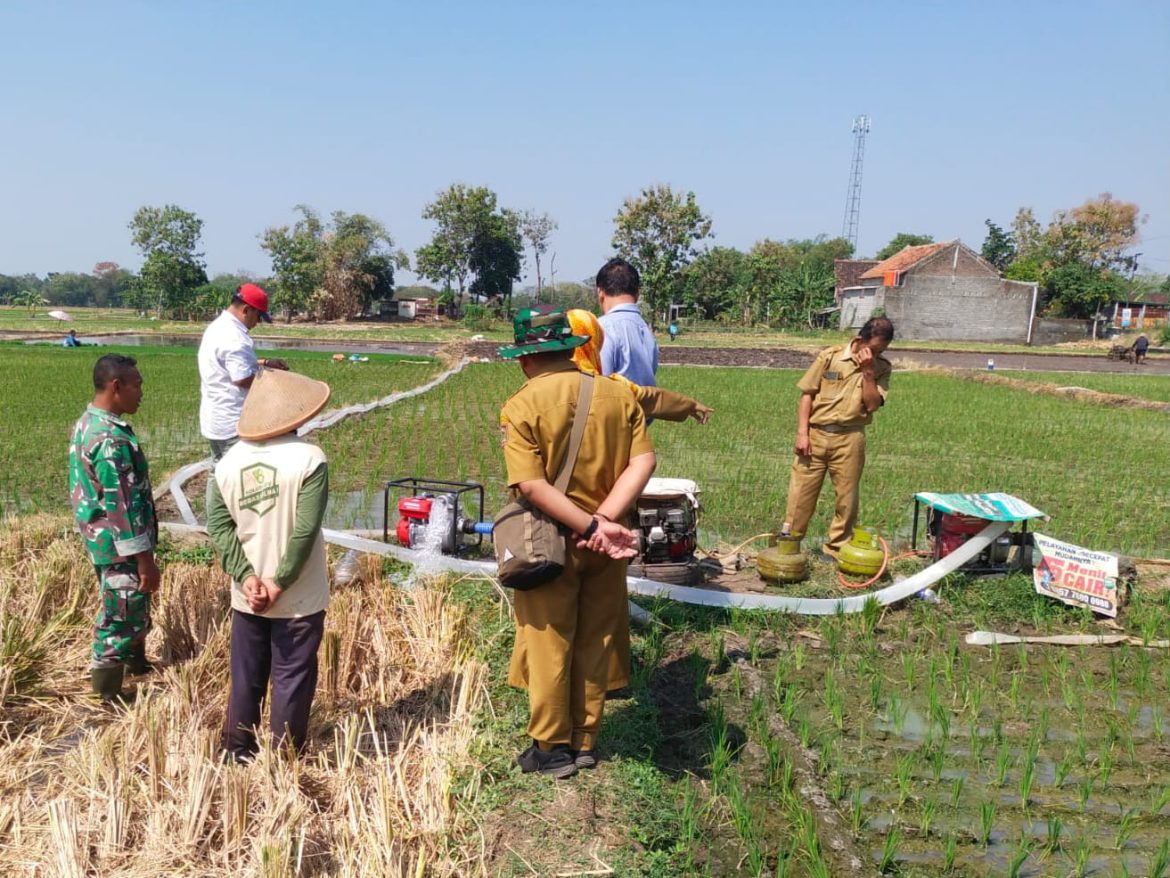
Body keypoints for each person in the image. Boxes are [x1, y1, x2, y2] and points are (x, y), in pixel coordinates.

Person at [498, 307, 656, 778]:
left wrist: (585, 527)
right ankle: (586, 741)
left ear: (527, 358)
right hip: (610, 543)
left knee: (549, 640)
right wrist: (605, 521)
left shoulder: (522, 405)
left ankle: (551, 748)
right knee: (597, 634)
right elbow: (643, 462)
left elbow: (531, 487)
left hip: (551, 542)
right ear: (572, 348)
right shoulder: (618, 395)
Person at [207, 368, 332, 763]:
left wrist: (247, 578)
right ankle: (284, 758)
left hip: (248, 596)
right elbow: (305, 529)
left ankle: (237, 749)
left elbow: (219, 527)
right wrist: (280, 582)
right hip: (297, 594)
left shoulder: (226, 464)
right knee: (291, 676)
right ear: (295, 413)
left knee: (246, 676)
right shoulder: (309, 459)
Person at [68, 354, 160, 702]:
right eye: (137, 385)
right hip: (121, 545)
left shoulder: (87, 422)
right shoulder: (111, 439)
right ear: (116, 386)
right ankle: (106, 697)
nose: (141, 392)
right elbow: (123, 506)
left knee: (127, 606)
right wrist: (144, 559)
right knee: (121, 618)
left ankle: (136, 669)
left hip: (100, 541)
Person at [781, 316, 895, 559]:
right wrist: (802, 433)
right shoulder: (830, 357)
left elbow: (873, 405)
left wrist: (867, 372)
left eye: (881, 350)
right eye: (874, 349)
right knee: (800, 493)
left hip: (850, 438)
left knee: (847, 496)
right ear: (860, 339)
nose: (876, 354)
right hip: (816, 434)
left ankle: (835, 548)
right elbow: (807, 395)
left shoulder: (881, 368)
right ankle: (789, 542)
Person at [565, 309, 712, 424]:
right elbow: (653, 399)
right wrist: (688, 405)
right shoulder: (611, 387)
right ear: (596, 340)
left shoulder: (543, 385)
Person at [198, 283, 289, 463]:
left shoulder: (218, 327)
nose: (258, 323)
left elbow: (228, 364)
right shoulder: (235, 337)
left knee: (217, 471)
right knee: (239, 476)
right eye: (258, 316)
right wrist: (273, 381)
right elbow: (241, 378)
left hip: (214, 418)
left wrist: (264, 363)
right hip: (233, 422)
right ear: (247, 310)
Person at [596, 257, 658, 387]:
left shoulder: (601, 328)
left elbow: (599, 386)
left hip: (616, 405)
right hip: (646, 406)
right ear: (637, 293)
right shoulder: (646, 330)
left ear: (600, 292)